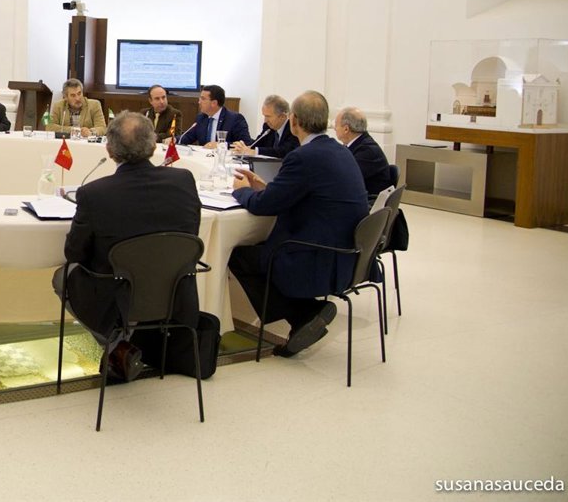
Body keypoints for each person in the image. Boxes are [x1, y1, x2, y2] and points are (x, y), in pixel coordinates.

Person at [53, 112, 201, 380]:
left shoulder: (94, 194)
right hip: (176, 292)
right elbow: (191, 231)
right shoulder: (184, 181)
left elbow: (74, 253)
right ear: (153, 146)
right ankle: (125, 344)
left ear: (110, 150)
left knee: (63, 276)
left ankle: (117, 345)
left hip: (120, 297)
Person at [227, 91, 369, 357]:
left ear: (293, 121)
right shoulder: (340, 151)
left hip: (317, 253)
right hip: (347, 250)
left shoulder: (303, 157)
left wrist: (242, 191)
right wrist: (266, 189)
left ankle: (302, 313)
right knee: (260, 247)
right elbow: (302, 193)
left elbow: (263, 206)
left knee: (239, 255)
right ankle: (304, 312)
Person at [334, 107, 394, 196]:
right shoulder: (359, 143)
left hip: (368, 200)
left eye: (336, 125)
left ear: (346, 129)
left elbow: (345, 178)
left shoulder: (367, 151)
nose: (334, 128)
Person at [178, 84, 250, 147]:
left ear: (214, 103)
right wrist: (174, 140)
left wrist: (221, 145)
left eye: (203, 99)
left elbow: (246, 143)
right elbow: (188, 137)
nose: (199, 102)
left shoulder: (234, 119)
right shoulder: (201, 118)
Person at [232, 94, 298, 159]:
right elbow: (258, 143)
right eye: (264, 116)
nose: (265, 120)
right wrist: (243, 147)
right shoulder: (268, 127)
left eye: (268, 116)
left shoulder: (293, 128)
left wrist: (255, 152)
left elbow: (284, 151)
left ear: (282, 116)